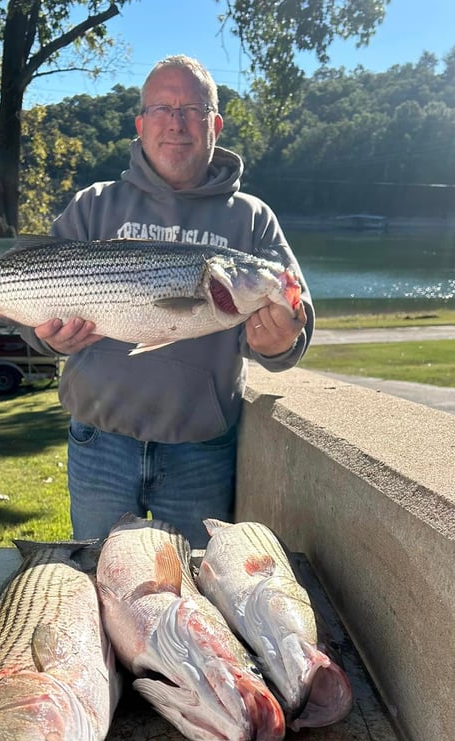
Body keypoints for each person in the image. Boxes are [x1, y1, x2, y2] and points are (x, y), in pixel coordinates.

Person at [21, 55, 314, 549]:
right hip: (99, 443)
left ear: (214, 124)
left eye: (192, 109)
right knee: (102, 584)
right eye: (161, 108)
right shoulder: (93, 205)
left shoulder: (252, 219)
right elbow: (31, 303)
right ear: (140, 124)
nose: (176, 123)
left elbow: (294, 323)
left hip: (201, 451)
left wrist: (282, 340)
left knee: (196, 593)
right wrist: (44, 336)